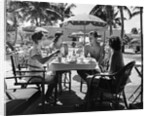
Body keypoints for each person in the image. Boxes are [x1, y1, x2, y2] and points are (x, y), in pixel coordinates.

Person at [28, 31, 60, 104]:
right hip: (35, 74)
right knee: (56, 77)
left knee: (54, 74)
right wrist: (53, 54)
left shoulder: (36, 48)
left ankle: (48, 96)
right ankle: (47, 97)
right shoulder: (34, 49)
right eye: (43, 38)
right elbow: (42, 61)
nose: (44, 40)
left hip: (38, 72)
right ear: (38, 40)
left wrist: (51, 57)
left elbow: (41, 61)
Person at [76, 31, 104, 107]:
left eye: (91, 38)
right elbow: (84, 57)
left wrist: (96, 64)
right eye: (88, 38)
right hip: (89, 66)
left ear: (95, 38)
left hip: (97, 67)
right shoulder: (87, 46)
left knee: (91, 80)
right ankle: (90, 81)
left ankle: (90, 83)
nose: (89, 39)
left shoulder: (101, 45)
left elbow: (101, 57)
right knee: (78, 70)